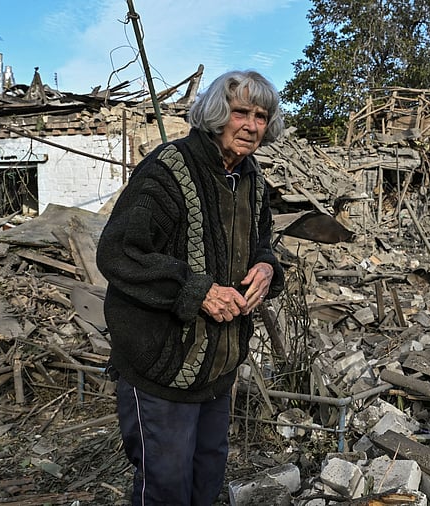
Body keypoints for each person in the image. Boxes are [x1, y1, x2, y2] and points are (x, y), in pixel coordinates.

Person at [96, 70, 286, 505]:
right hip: (162, 364)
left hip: (218, 367)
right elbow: (119, 252)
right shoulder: (168, 170)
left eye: (261, 116)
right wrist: (196, 290)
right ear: (219, 114)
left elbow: (261, 242)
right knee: (166, 485)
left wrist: (266, 267)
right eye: (242, 112)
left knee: (207, 478)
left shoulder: (251, 178)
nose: (252, 125)